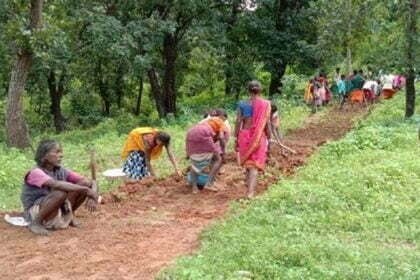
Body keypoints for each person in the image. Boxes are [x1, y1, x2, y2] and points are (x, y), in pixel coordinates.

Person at [21, 140, 99, 236]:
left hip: (54, 206)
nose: (61, 155)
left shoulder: (59, 170)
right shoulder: (35, 172)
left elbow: (89, 182)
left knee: (84, 183)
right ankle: (36, 223)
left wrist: (92, 195)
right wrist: (87, 191)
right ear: (44, 156)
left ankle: (70, 216)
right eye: (57, 152)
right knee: (60, 193)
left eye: (61, 152)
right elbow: (56, 184)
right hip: (36, 210)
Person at [234, 80, 271, 198]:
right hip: (258, 137)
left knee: (248, 164)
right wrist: (269, 137)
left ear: (248, 90)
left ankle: (248, 190)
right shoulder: (265, 104)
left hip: (244, 135)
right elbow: (267, 123)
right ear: (260, 90)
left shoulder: (242, 104)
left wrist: (236, 137)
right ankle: (250, 193)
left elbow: (238, 121)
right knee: (254, 165)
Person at [186, 115, 226, 193]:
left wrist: (187, 152)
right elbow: (221, 137)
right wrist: (223, 152)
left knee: (194, 164)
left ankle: (194, 188)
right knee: (218, 159)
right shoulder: (220, 123)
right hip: (204, 133)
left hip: (190, 133)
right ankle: (209, 184)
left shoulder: (206, 122)